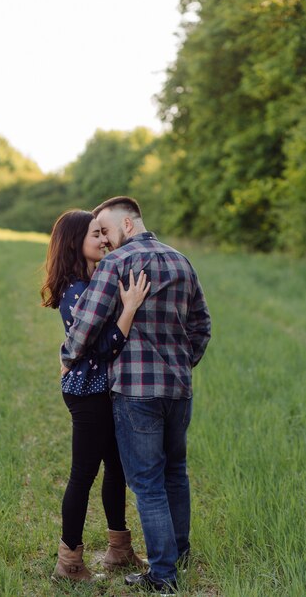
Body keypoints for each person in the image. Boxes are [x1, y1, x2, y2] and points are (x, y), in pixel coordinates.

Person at [61, 196, 211, 595]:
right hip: (179, 389)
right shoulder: (181, 261)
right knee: (175, 473)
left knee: (146, 483)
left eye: (106, 230)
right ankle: (179, 554)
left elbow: (84, 327)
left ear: (127, 225)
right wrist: (181, 361)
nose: (105, 241)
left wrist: (66, 357)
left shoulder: (117, 264)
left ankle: (163, 575)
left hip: (135, 390)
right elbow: (202, 325)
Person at [41, 209, 149, 582]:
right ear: (75, 242)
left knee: (116, 469)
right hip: (87, 393)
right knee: (83, 474)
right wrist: (130, 308)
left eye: (104, 233)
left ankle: (119, 550)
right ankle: (68, 562)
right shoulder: (76, 290)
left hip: (105, 388)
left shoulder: (94, 282)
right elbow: (102, 348)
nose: (104, 240)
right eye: (95, 234)